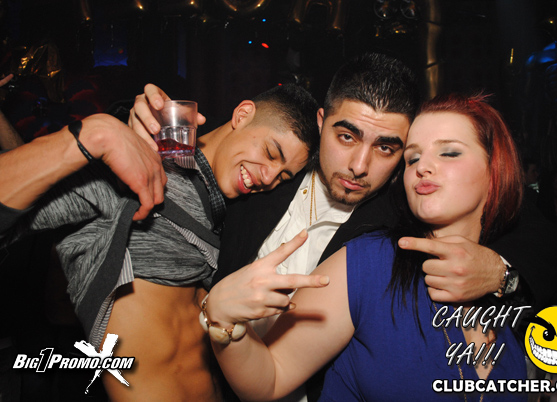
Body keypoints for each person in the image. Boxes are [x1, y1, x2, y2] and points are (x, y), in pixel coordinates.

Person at [0, 83, 319, 401]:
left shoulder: (233, 213)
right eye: (271, 153)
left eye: (283, 176)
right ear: (242, 114)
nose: (269, 178)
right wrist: (98, 133)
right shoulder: (137, 168)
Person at [204, 93, 528, 402]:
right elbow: (271, 376)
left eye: (449, 152)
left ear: (495, 167)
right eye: (413, 158)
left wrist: (503, 275)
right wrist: (225, 322)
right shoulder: (369, 263)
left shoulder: (507, 290)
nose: (423, 167)